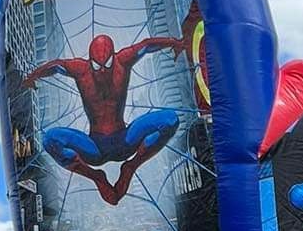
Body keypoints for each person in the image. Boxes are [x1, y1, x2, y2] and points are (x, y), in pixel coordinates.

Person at [20, 32, 189, 206]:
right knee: (50, 139)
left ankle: (131, 167)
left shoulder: (123, 60)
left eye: (107, 64)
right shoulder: (80, 69)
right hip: (95, 148)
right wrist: (34, 76)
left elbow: (146, 45)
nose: (102, 70)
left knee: (170, 120)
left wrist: (173, 42)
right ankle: (96, 176)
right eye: (96, 65)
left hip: (125, 140)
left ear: (114, 57)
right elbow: (57, 66)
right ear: (90, 60)